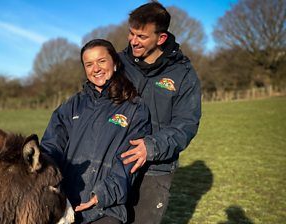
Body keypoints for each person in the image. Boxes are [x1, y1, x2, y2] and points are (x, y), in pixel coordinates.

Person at [40, 39, 151, 224]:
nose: (96, 68)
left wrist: (102, 194)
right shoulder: (70, 107)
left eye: (101, 61)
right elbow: (51, 148)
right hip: (66, 207)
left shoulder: (134, 109)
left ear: (114, 63)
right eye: (89, 64)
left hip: (106, 208)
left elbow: (128, 161)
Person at [118, 2, 202, 224]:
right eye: (131, 33)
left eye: (142, 37)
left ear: (161, 38)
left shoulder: (183, 74)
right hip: (113, 162)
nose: (133, 41)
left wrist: (151, 147)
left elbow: (186, 124)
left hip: (156, 169)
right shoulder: (118, 63)